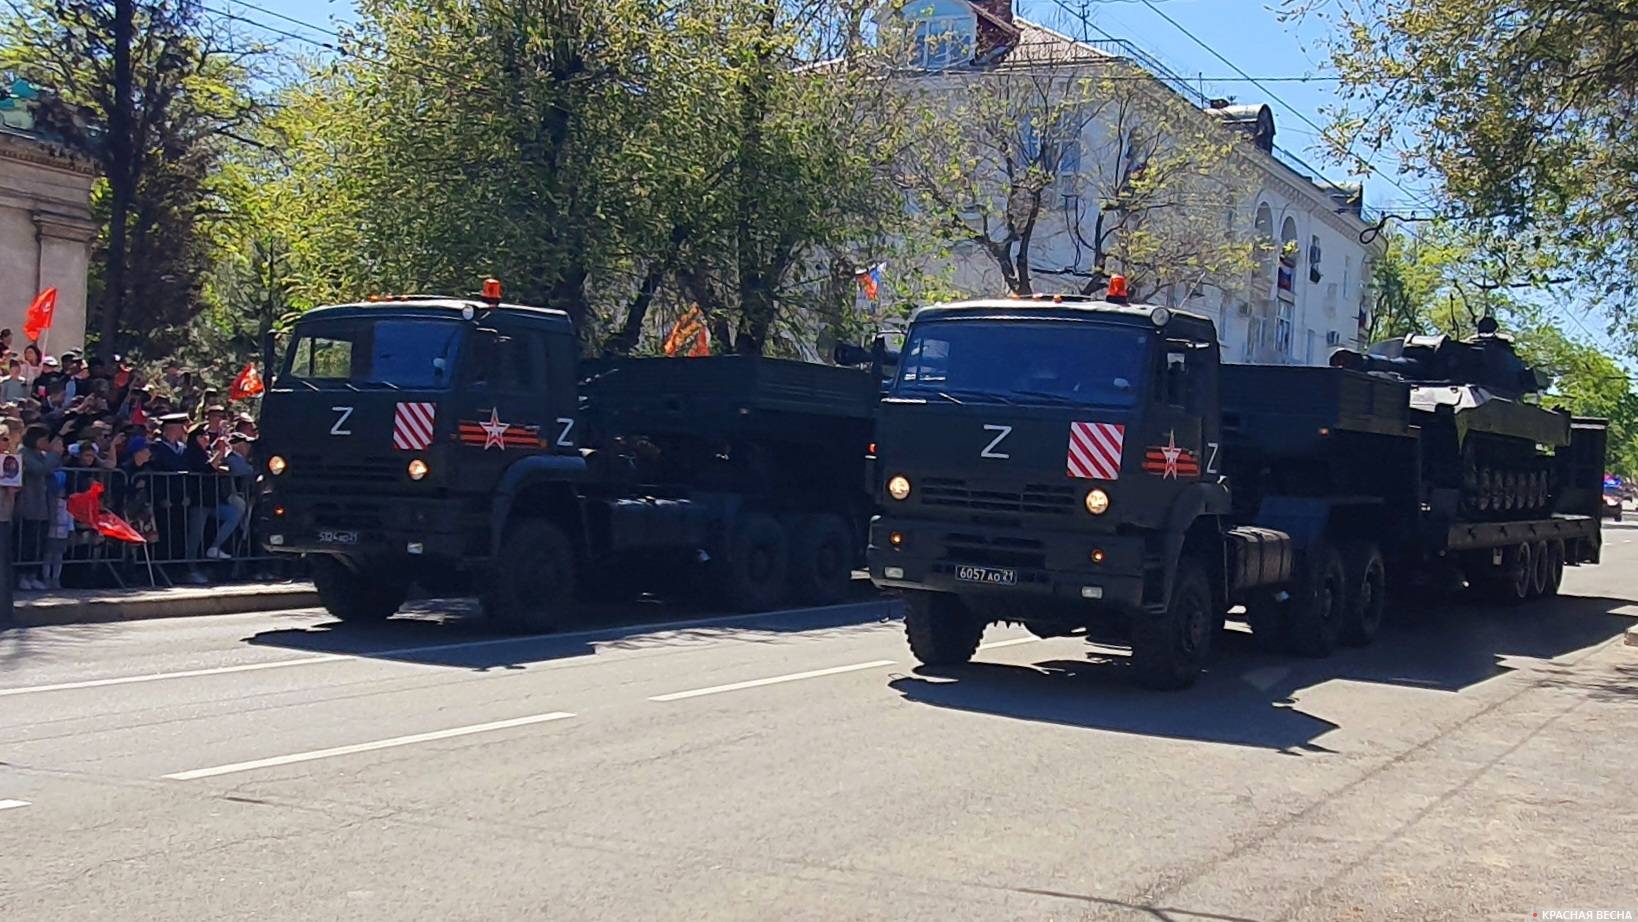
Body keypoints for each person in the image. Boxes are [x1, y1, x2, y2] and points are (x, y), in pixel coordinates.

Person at [17, 424, 63, 590]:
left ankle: (33, 574)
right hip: (29, 503)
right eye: (43, 438)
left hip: (43, 504)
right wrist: (54, 454)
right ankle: (22, 575)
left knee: (39, 542)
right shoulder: (23, 453)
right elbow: (39, 469)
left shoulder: (41, 454)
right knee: (27, 541)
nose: (46, 442)